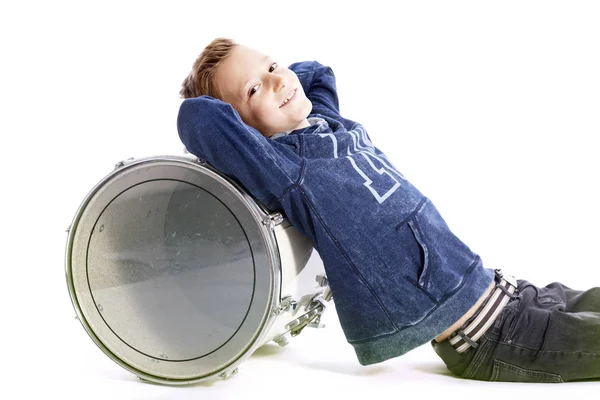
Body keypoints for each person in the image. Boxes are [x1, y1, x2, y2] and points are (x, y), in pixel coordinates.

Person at [176, 37, 600, 382]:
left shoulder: (327, 124)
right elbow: (198, 119)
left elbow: (317, 72)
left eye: (272, 67)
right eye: (254, 90)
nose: (277, 82)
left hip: (503, 291)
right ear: (243, 132)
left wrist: (267, 80)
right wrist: (235, 96)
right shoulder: (283, 168)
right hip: (487, 336)